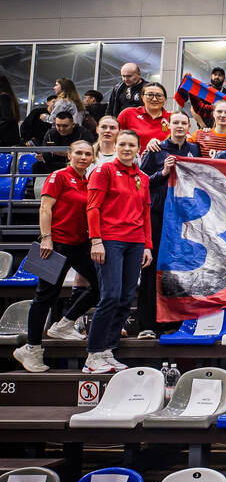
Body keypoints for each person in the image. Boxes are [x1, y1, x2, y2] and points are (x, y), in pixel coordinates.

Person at [13, 141, 98, 372]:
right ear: (69, 155)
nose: (83, 157)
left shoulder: (88, 181)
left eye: (87, 154)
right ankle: (31, 349)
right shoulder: (58, 176)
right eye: (79, 153)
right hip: (55, 245)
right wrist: (46, 238)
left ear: (92, 157)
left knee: (101, 286)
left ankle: (64, 324)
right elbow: (45, 208)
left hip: (79, 245)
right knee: (45, 297)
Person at [85, 130, 151, 374]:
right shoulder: (103, 171)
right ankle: (93, 354)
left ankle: (108, 351)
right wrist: (96, 241)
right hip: (110, 241)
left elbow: (145, 213)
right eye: (122, 144)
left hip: (135, 242)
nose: (126, 149)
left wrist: (147, 245)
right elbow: (92, 208)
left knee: (125, 298)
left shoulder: (142, 177)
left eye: (131, 145)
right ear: (115, 146)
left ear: (138, 149)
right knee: (110, 296)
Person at [137, 112, 200, 339]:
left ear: (189, 126)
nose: (180, 126)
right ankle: (147, 324)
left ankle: (175, 322)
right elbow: (141, 183)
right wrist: (163, 172)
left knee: (178, 270)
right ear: (168, 125)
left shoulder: (195, 150)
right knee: (151, 268)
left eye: (184, 123)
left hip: (184, 219)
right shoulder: (156, 149)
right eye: (176, 122)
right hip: (158, 216)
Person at [37, 109, 95, 173]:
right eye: (58, 125)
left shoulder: (84, 134)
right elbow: (45, 152)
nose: (61, 129)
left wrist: (61, 153)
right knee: (37, 166)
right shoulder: (50, 134)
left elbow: (89, 154)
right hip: (54, 164)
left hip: (76, 164)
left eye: (65, 126)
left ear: (73, 124)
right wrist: (42, 156)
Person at [117, 81, 171, 151]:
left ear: (165, 99)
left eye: (159, 96)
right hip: (132, 157)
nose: (154, 99)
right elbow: (115, 138)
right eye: (150, 95)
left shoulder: (172, 118)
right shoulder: (128, 113)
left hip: (166, 157)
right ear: (142, 97)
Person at [0, 74, 20, 145]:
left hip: (3, 138)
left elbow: (6, 118)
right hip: (7, 138)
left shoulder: (3, 97)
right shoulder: (8, 97)